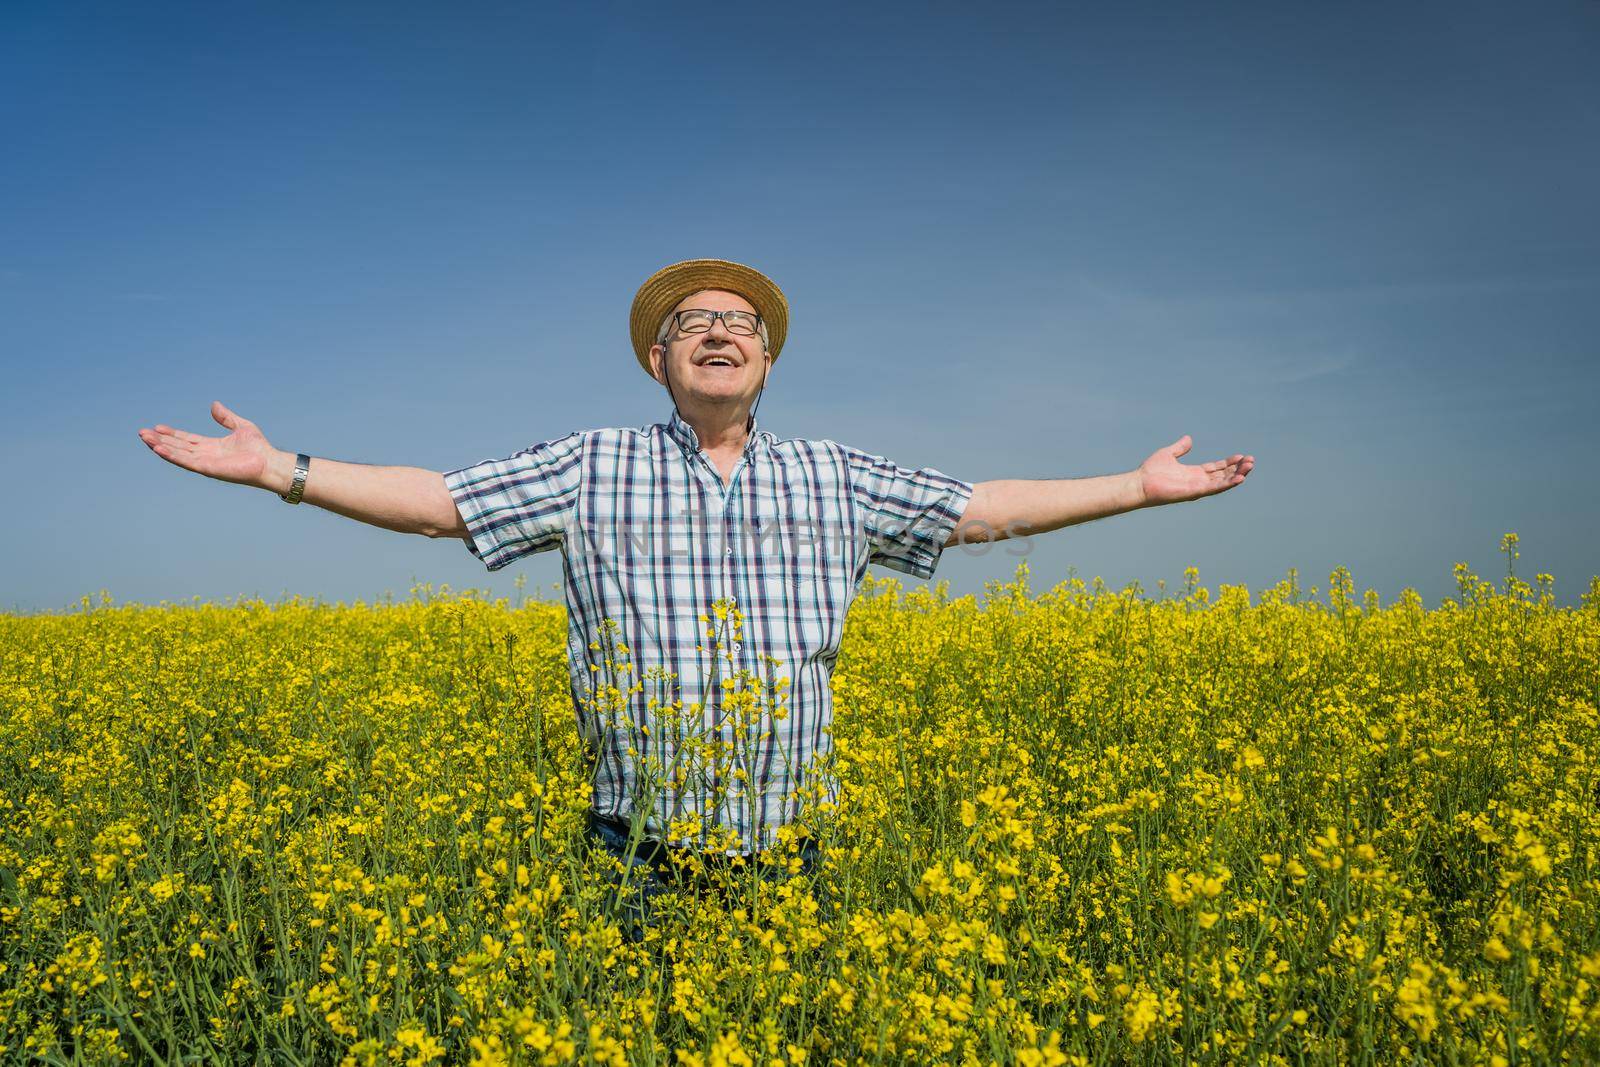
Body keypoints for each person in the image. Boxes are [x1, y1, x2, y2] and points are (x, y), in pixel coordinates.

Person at [136, 257, 1255, 939]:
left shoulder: (835, 472)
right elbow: (441, 499)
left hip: (790, 848)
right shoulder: (590, 462)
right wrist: (284, 469)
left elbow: (982, 507)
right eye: (692, 326)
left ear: (766, 361)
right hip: (637, 846)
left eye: (742, 326)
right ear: (657, 361)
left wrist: (1139, 489)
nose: (720, 332)